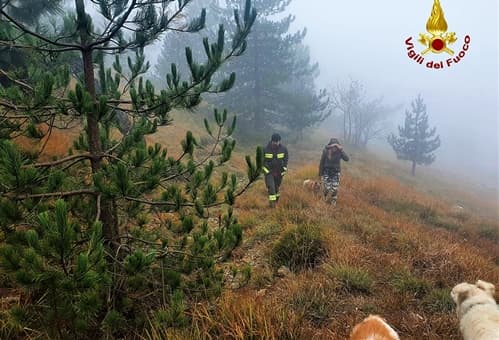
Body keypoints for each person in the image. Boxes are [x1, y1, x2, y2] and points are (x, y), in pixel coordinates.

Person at [319, 138, 349, 206]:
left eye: (336, 146)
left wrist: (341, 150)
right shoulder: (326, 151)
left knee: (335, 189)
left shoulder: (339, 152)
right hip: (326, 172)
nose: (334, 148)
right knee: (327, 188)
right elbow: (321, 163)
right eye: (333, 146)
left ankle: (333, 201)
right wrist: (320, 174)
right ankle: (324, 198)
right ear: (330, 146)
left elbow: (347, 159)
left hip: (336, 172)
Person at [262, 133, 289, 208]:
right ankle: (272, 206)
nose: (276, 143)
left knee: (276, 188)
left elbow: (286, 160)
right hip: (269, 172)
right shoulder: (265, 149)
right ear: (271, 141)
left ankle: (276, 201)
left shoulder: (284, 149)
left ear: (279, 141)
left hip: (279, 173)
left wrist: (283, 170)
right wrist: (267, 172)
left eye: (277, 142)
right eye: (275, 142)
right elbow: (262, 162)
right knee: (271, 188)